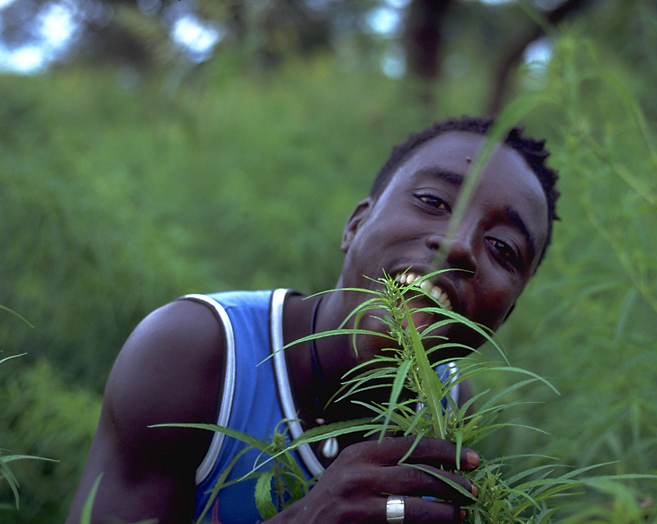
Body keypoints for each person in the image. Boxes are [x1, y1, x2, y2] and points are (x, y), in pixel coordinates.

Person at [65, 115, 560, 524]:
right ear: (356, 224)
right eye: (433, 201)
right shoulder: (194, 350)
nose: (458, 245)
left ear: (505, 313)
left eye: (503, 249)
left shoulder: (452, 407)